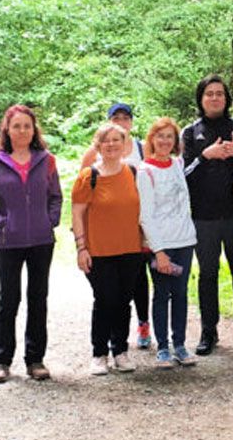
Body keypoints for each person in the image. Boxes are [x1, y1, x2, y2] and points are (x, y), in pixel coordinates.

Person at [0, 105, 63, 383]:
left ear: (34, 129)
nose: (22, 131)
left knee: (39, 299)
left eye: (27, 126)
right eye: (17, 126)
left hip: (41, 240)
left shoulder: (46, 160)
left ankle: (35, 360)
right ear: (7, 130)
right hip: (8, 241)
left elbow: (56, 196)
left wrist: (50, 220)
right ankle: (2, 361)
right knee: (9, 299)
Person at [181, 75, 233, 355]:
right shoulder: (191, 132)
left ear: (227, 98)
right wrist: (206, 156)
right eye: (209, 94)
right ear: (201, 98)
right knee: (208, 274)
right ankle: (208, 332)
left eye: (220, 94)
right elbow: (183, 175)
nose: (215, 98)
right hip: (203, 217)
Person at [72, 123, 145, 375]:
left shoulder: (133, 173)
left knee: (124, 301)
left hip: (130, 249)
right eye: (106, 141)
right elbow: (77, 213)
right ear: (99, 146)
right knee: (104, 300)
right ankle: (99, 353)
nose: (112, 145)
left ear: (125, 145)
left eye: (117, 140)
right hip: (99, 251)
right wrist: (81, 248)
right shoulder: (88, 177)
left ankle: (120, 351)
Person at [81, 102, 151, 349]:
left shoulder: (138, 154)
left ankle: (134, 333)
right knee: (105, 295)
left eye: (125, 117)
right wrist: (81, 243)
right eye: (116, 117)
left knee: (132, 287)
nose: (121, 121)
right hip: (101, 240)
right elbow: (81, 201)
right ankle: (101, 349)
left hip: (132, 236)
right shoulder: (92, 161)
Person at [137, 117, 199, 368]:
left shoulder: (177, 163)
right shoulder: (144, 172)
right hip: (161, 244)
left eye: (169, 137)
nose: (164, 141)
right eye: (160, 136)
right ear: (151, 139)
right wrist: (159, 251)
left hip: (185, 240)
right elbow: (145, 215)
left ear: (176, 141)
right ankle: (163, 347)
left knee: (181, 293)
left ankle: (180, 345)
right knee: (161, 294)